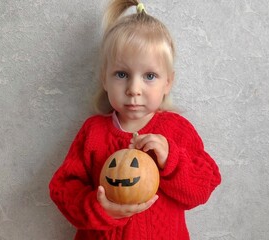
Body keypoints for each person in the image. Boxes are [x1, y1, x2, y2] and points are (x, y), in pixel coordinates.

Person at [49, 0, 221, 239]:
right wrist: (98, 208)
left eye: (149, 76)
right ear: (104, 79)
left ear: (168, 82)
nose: (134, 89)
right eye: (122, 74)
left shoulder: (177, 130)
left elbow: (203, 186)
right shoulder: (94, 132)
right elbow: (63, 188)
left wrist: (171, 160)